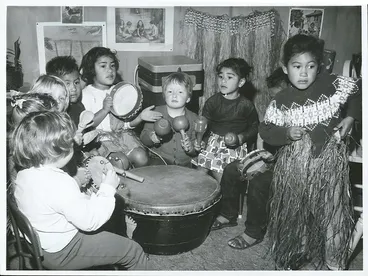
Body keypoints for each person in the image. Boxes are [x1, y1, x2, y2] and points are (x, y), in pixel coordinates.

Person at [259, 34, 362, 270]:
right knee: (295, 213)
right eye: (297, 66)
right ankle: (296, 250)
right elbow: (266, 130)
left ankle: (335, 261)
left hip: (329, 166)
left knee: (333, 213)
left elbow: (358, 90)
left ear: (320, 66)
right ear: (285, 68)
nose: (304, 73)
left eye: (310, 66)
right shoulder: (281, 100)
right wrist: (286, 133)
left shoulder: (331, 85)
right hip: (295, 168)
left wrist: (350, 117)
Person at [11, 111, 148, 270]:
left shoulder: (23, 175)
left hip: (39, 244)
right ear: (57, 150)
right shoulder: (61, 183)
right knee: (133, 251)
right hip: (64, 251)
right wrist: (108, 188)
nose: (73, 143)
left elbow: (53, 199)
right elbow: (90, 222)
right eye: (70, 141)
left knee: (102, 211)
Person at [210, 67, 288, 250]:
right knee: (231, 169)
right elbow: (262, 132)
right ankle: (228, 214)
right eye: (272, 97)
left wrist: (270, 164)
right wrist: (259, 155)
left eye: (279, 97)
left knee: (259, 182)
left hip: (285, 166)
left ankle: (254, 232)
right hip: (267, 159)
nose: (275, 101)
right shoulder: (274, 109)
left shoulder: (298, 113)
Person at [80, 47, 162, 167]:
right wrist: (104, 110)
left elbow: (124, 125)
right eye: (103, 66)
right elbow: (88, 126)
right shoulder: (86, 94)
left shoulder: (119, 90)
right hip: (99, 141)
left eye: (112, 66)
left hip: (122, 136)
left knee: (142, 157)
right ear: (92, 69)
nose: (110, 70)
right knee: (121, 162)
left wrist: (140, 117)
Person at [196, 58, 259, 182]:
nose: (223, 81)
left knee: (223, 179)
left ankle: (224, 200)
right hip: (212, 143)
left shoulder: (246, 105)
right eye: (220, 77)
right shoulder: (213, 102)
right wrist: (202, 140)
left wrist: (242, 137)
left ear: (241, 82)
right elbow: (204, 124)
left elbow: (255, 127)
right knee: (199, 175)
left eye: (229, 77)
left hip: (233, 147)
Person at [140, 72, 198, 167]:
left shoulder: (194, 118)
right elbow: (143, 138)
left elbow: (195, 151)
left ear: (188, 98)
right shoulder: (155, 114)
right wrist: (152, 137)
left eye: (180, 92)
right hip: (160, 160)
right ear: (164, 95)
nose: (174, 95)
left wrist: (191, 148)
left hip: (185, 164)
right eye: (170, 92)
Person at [46, 55, 85, 126]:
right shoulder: (53, 111)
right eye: (67, 84)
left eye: (76, 82)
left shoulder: (79, 107)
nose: (73, 88)